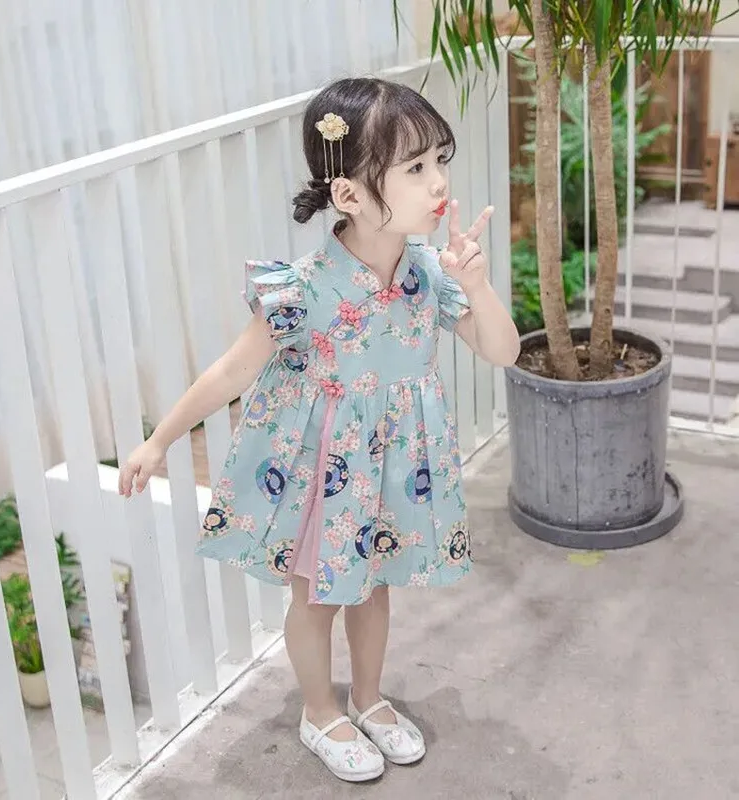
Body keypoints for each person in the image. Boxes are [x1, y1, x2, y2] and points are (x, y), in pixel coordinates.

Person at [119, 77, 520, 783]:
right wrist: (159, 441)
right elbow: (232, 371)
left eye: (440, 161)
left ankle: (367, 698)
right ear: (350, 195)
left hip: (393, 465)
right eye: (415, 167)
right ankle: (318, 710)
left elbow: (503, 351)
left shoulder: (429, 274)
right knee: (317, 596)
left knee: (375, 585)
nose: (439, 183)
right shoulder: (303, 288)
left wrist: (479, 287)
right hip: (325, 471)